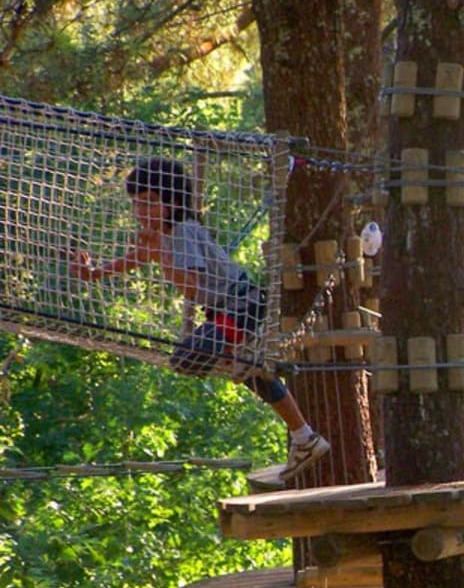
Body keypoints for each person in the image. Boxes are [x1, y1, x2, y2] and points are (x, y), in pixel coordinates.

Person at [71, 156, 330, 481]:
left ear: (173, 202)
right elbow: (134, 260)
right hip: (228, 311)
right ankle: (304, 437)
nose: (143, 212)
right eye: (137, 204)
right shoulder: (162, 235)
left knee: (188, 358)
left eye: (151, 203)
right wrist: (95, 273)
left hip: (242, 305)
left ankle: (241, 363)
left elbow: (189, 286)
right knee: (255, 375)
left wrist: (159, 251)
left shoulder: (182, 232)